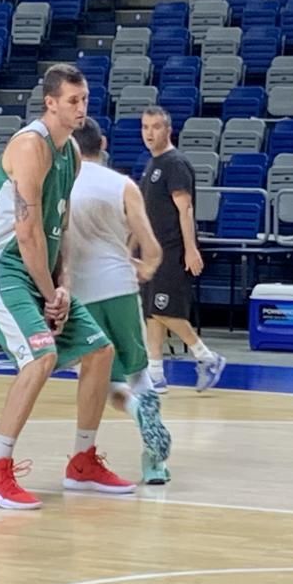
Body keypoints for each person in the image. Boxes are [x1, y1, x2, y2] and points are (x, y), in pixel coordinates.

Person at [0, 64, 135, 510]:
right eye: (73, 101)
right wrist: (49, 291)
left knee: (100, 351)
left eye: (85, 100)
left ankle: (82, 462)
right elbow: (27, 233)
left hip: (41, 272)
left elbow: (62, 226)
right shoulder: (29, 147)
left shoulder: (72, 155)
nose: (81, 108)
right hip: (0, 268)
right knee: (42, 355)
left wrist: (65, 283)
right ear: (51, 103)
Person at [67, 117, 172, 485]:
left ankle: (129, 409)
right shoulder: (123, 184)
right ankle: (155, 463)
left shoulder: (62, 185)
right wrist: (146, 266)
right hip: (121, 286)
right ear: (104, 143)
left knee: (100, 379)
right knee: (139, 371)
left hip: (80, 293)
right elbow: (152, 246)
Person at [139, 107, 225, 394]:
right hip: (153, 251)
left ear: (168, 130)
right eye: (145, 127)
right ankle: (155, 374)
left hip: (171, 250)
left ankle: (207, 357)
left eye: (156, 127)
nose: (150, 133)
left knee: (165, 310)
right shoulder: (153, 164)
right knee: (152, 313)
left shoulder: (175, 163)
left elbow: (185, 209)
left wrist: (190, 249)